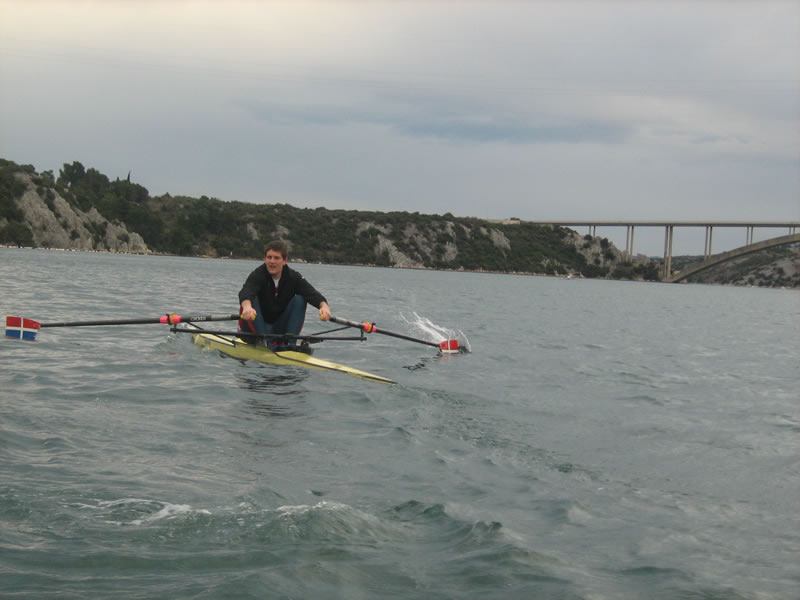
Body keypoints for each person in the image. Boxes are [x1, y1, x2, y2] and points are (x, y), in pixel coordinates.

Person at [238, 240, 331, 350]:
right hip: (254, 327)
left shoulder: (293, 277)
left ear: (284, 260)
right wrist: (247, 307)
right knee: (251, 299)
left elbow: (311, 293)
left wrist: (324, 307)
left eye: (276, 258)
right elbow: (247, 291)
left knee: (300, 300)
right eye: (269, 257)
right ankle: (263, 342)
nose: (272, 261)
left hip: (277, 326)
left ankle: (290, 344)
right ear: (264, 259)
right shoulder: (257, 274)